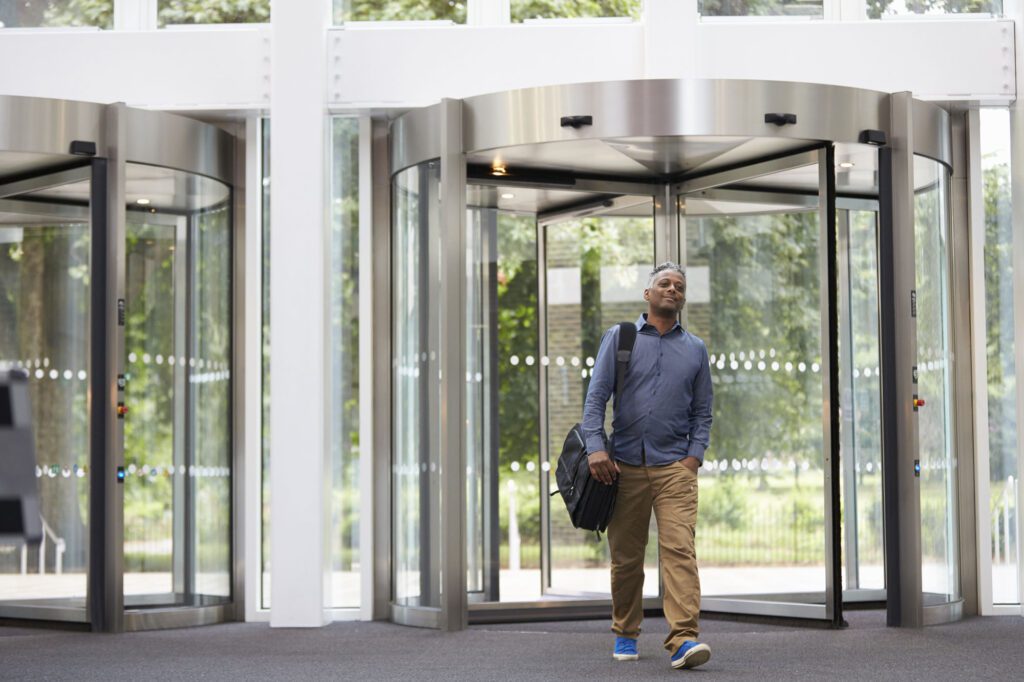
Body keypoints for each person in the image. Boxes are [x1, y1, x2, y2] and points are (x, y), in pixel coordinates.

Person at [581, 261, 713, 670]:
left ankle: (683, 639)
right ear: (648, 294)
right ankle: (625, 632)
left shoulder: (695, 348)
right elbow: (595, 399)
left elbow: (703, 412)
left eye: (679, 286)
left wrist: (693, 457)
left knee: (679, 551)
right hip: (621, 467)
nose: (672, 289)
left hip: (675, 466)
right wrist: (595, 448)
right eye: (664, 284)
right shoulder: (620, 338)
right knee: (626, 557)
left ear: (683, 297)